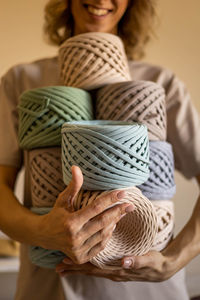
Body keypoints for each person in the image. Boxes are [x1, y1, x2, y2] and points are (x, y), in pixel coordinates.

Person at [0, 0, 199, 299]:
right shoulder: (22, 81)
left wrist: (176, 259)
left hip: (148, 292)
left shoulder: (159, 84)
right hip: (52, 287)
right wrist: (40, 230)